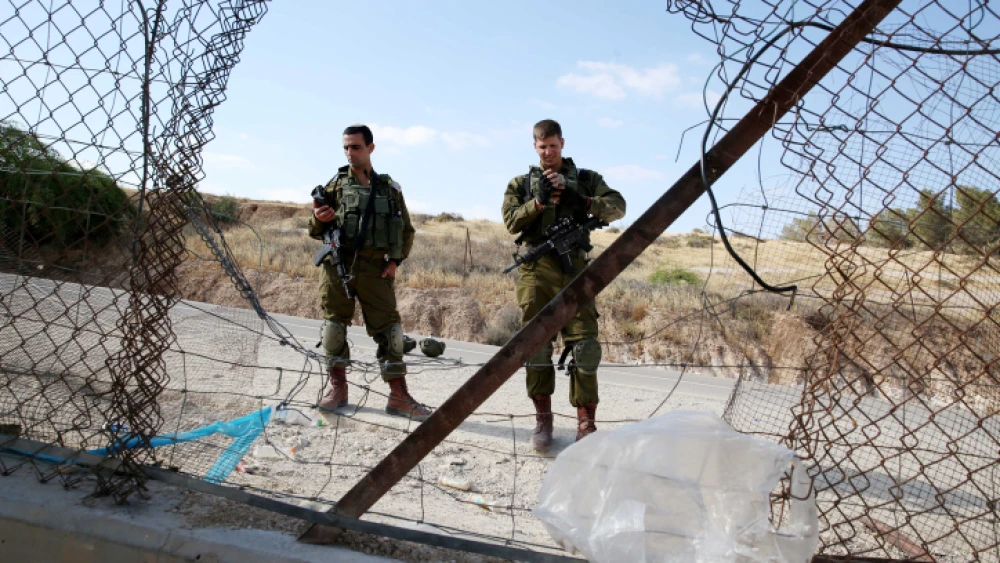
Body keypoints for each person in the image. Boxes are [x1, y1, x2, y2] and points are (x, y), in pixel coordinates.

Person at [501, 119, 626, 450]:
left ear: (562, 144)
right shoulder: (521, 183)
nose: (548, 151)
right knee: (536, 345)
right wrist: (539, 202)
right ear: (534, 147)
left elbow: (618, 207)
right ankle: (543, 419)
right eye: (542, 146)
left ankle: (586, 421)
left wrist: (581, 199)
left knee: (585, 347)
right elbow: (511, 220)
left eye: (553, 145)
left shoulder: (586, 179)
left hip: (576, 270)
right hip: (537, 270)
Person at [309, 124, 431, 420]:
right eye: (346, 148)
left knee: (391, 332)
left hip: (376, 269)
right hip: (339, 266)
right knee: (334, 327)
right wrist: (317, 218)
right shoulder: (335, 185)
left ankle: (399, 396)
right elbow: (315, 231)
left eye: (356, 147)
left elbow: (406, 230)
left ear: (370, 148)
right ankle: (337, 387)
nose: (350, 153)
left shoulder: (389, 188)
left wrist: (395, 262)